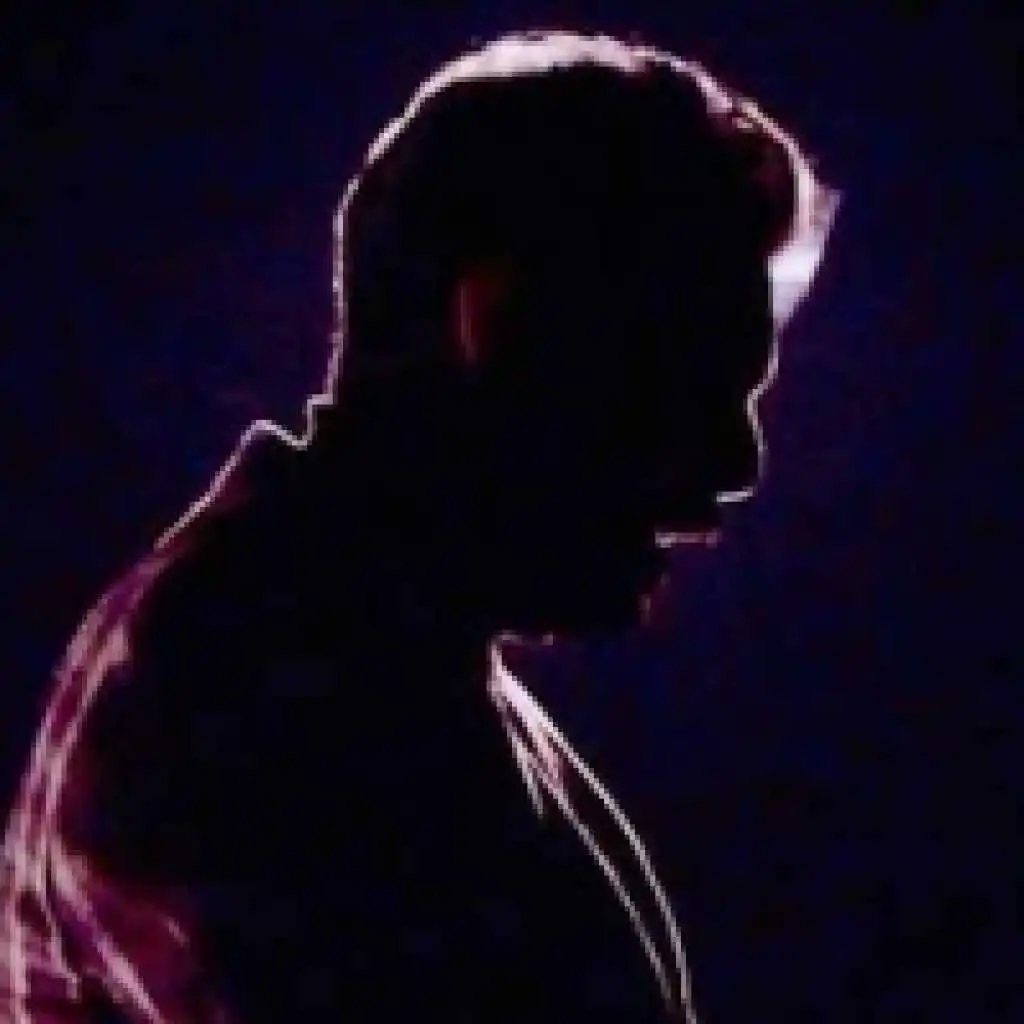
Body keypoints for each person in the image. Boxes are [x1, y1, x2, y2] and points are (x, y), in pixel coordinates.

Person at [0, 29, 836, 1023]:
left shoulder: (333, 655)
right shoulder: (261, 692)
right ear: (500, 327)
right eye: (692, 387)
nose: (738, 467)